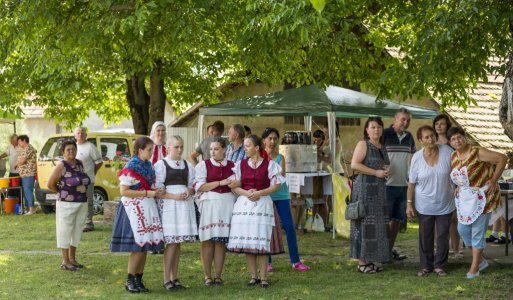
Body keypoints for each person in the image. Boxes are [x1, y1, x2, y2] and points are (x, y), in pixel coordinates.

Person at [447, 126, 507, 279]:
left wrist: (494, 180)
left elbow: (502, 158)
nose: (457, 140)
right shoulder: (454, 155)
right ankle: (480, 260)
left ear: (464, 136)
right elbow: (461, 176)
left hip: (483, 197)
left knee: (477, 233)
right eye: (453, 139)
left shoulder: (477, 152)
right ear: (450, 142)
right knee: (463, 229)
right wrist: (458, 187)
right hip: (466, 199)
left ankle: (475, 267)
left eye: (459, 137)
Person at [227, 135, 285, 288]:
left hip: (263, 204)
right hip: (244, 206)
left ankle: (264, 277)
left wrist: (260, 193)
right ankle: (253, 276)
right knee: (249, 240)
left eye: (247, 146)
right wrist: (247, 193)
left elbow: (277, 185)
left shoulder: (269, 164)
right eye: (245, 146)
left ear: (257, 147)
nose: (245, 148)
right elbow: (234, 185)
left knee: (262, 241)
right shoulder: (240, 165)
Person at [110, 136, 165, 293]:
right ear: (140, 150)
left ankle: (138, 279)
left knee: (145, 245)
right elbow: (124, 191)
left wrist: (155, 191)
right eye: (149, 150)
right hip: (133, 209)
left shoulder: (148, 165)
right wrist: (148, 192)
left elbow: (148, 185)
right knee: (137, 246)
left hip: (146, 206)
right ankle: (130, 280)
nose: (151, 152)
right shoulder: (132, 165)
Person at [406, 126, 455, 277]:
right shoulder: (417, 157)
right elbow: (412, 183)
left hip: (445, 202)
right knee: (425, 235)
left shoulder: (448, 152)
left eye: (432, 135)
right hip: (424, 204)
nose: (431, 139)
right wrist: (409, 203)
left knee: (442, 236)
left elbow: (457, 173)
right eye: (426, 137)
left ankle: (439, 265)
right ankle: (426, 266)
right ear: (421, 141)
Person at [262, 128, 310, 272]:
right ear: (264, 140)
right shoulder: (259, 157)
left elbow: (281, 176)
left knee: (289, 227)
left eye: (275, 138)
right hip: (266, 196)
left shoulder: (280, 157)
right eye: (269, 138)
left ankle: (295, 261)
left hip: (282, 196)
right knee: (267, 229)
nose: (272, 141)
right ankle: (267, 262)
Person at [154, 135, 197, 291]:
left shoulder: (187, 164)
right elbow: (159, 190)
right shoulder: (161, 164)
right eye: (176, 147)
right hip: (170, 206)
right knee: (171, 243)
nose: (179, 150)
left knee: (178, 243)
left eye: (181, 147)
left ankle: (174, 277)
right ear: (168, 147)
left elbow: (193, 184)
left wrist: (189, 192)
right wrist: (174, 196)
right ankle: (166, 279)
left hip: (184, 205)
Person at [350, 117, 391, 273]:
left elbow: (383, 166)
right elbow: (355, 164)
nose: (376, 130)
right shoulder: (363, 144)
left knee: (376, 226)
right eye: (372, 127)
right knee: (365, 225)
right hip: (365, 190)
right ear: (367, 130)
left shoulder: (382, 146)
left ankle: (369, 260)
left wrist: (386, 171)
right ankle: (362, 262)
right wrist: (376, 172)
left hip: (379, 190)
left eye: (379, 127)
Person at [193, 137, 237, 286]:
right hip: (209, 205)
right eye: (211, 149)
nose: (213, 152)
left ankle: (218, 276)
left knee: (220, 241)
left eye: (216, 149)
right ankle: (207, 276)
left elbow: (237, 184)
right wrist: (220, 183)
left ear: (224, 149)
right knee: (207, 240)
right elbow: (199, 186)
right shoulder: (203, 165)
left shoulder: (232, 165)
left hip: (226, 205)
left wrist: (233, 183)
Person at [47, 140, 91, 271]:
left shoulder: (80, 163)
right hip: (66, 204)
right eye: (68, 149)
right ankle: (65, 261)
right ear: (63, 152)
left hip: (82, 202)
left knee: (77, 230)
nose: (71, 151)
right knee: (65, 231)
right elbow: (50, 184)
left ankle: (72, 259)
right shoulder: (61, 165)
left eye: (73, 148)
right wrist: (62, 192)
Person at [383, 108, 416, 260]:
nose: (405, 122)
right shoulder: (384, 134)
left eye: (408, 120)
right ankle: (380, 251)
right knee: (384, 220)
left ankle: (388, 251)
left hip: (403, 186)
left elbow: (413, 160)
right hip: (386, 185)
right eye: (402, 119)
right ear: (395, 119)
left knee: (396, 220)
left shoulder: (409, 137)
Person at [433, 114, 462, 258]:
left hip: (453, 183)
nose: (438, 126)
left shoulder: (452, 143)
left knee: (453, 218)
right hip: (437, 185)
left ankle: (456, 249)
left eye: (442, 124)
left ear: (447, 126)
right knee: (438, 219)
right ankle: (440, 249)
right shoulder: (431, 141)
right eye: (436, 123)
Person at [74, 127, 103, 232]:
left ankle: (88, 224)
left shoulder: (90, 147)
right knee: (77, 202)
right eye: (78, 133)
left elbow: (99, 162)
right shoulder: (73, 147)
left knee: (87, 202)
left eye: (82, 133)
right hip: (75, 180)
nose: (80, 135)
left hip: (88, 180)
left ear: (86, 135)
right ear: (75, 135)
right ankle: (79, 223)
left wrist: (93, 172)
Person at [16, 135, 37, 215]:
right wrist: (19, 161)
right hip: (25, 174)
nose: (18, 144)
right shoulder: (24, 149)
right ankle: (29, 209)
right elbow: (20, 160)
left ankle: (31, 210)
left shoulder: (28, 148)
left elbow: (22, 161)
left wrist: (18, 162)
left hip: (29, 173)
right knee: (26, 191)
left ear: (24, 140)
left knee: (28, 191)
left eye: (19, 142)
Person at [0, 134, 20, 198]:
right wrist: (0, 157)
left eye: (14, 142)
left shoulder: (21, 147)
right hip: (11, 172)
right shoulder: (10, 146)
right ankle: (12, 203)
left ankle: (18, 204)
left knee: (18, 190)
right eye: (11, 142)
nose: (12, 143)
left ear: (17, 141)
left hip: (19, 172)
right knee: (11, 189)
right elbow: (6, 153)